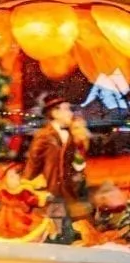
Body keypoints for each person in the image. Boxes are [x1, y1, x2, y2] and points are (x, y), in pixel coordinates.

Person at [22, 95, 89, 237]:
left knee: (75, 219)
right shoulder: (44, 135)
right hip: (51, 186)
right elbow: (34, 161)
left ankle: (70, 236)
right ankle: (56, 237)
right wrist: (27, 183)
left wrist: (80, 146)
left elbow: (76, 162)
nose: (70, 113)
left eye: (70, 109)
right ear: (55, 113)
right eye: (66, 109)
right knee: (55, 220)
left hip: (68, 187)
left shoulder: (70, 135)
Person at [0, 163, 51, 241]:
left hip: (23, 218)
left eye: (17, 175)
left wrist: (37, 201)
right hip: (5, 220)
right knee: (5, 234)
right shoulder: (2, 192)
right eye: (11, 176)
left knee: (29, 231)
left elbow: (34, 201)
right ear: (4, 180)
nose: (16, 178)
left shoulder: (23, 191)